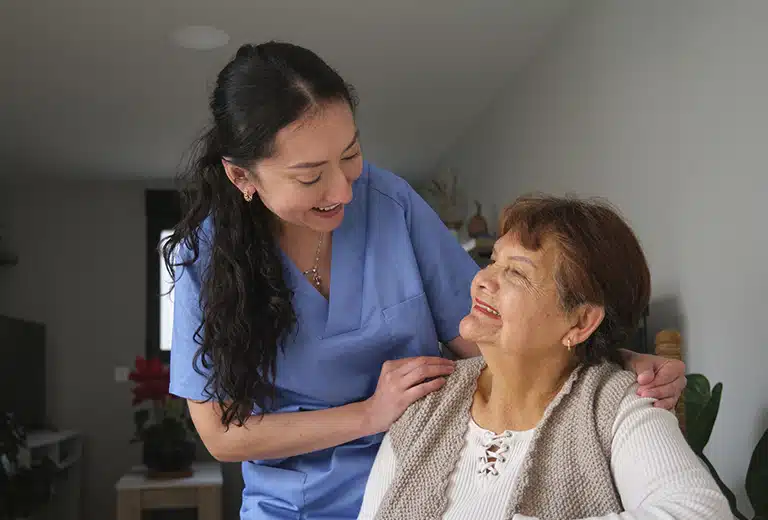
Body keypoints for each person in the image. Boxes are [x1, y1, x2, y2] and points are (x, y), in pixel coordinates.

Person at [164, 42, 688, 520]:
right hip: (297, 506)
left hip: (427, 480)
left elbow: (488, 334)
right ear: (242, 177)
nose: (344, 191)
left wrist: (614, 360)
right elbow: (222, 434)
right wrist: (370, 414)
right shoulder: (203, 261)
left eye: (350, 155)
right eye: (309, 177)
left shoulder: (389, 203)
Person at [357, 196, 729, 520]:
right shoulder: (427, 400)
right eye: (493, 261)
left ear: (581, 321)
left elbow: (700, 513)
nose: (483, 280)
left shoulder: (614, 405)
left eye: (517, 272)